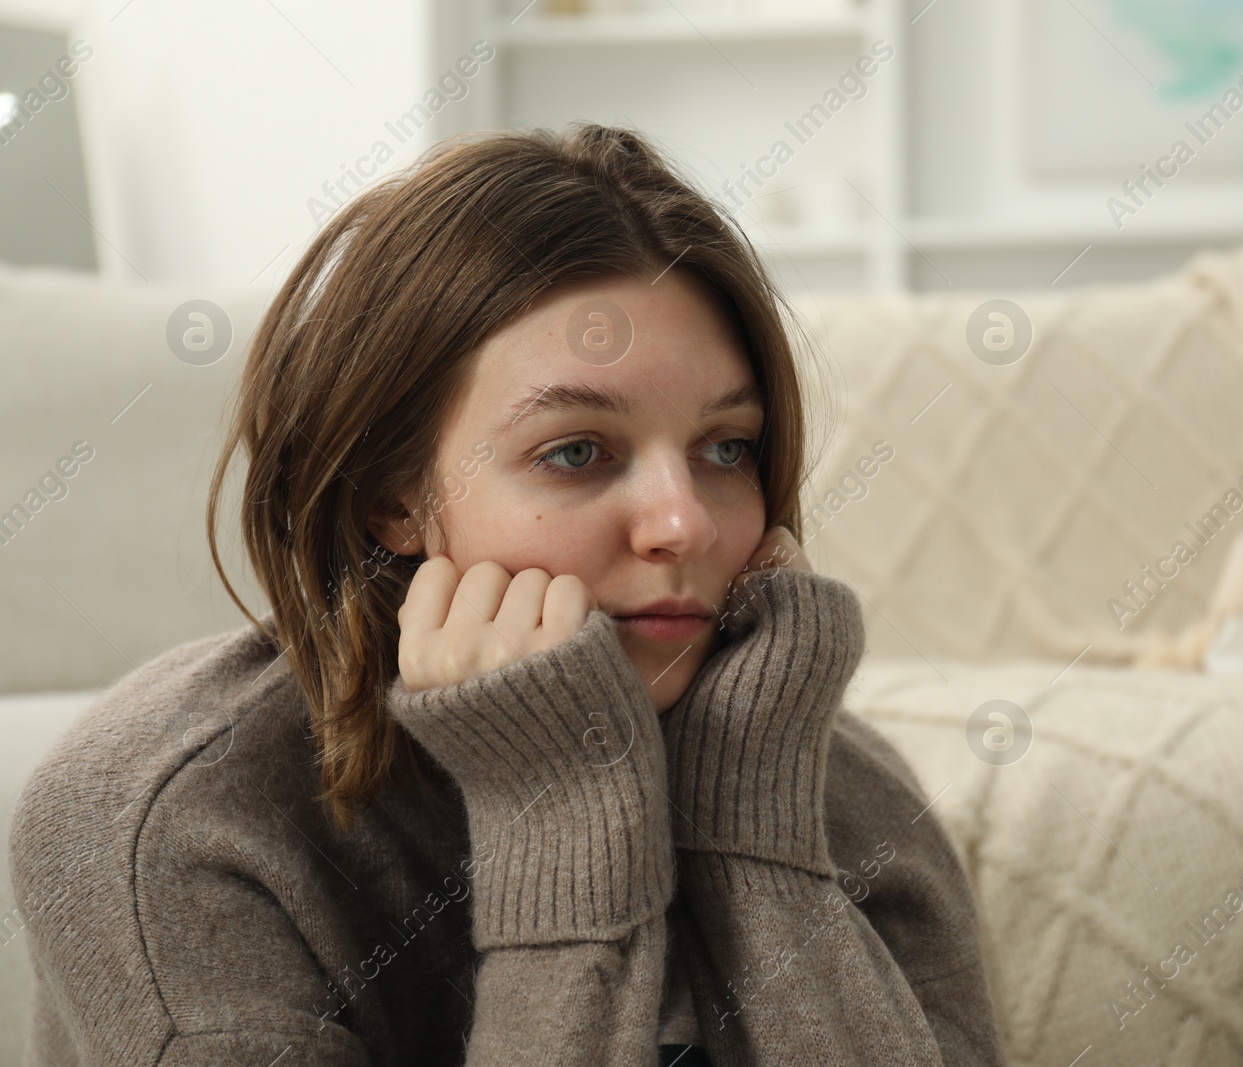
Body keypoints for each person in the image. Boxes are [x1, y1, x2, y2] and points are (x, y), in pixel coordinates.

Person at [8, 122, 1007, 1065]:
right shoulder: (170, 827)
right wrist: (561, 820)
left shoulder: (822, 774)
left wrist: (756, 840)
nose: (685, 522)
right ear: (388, 498)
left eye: (725, 448)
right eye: (576, 450)